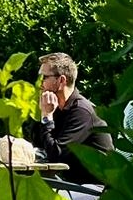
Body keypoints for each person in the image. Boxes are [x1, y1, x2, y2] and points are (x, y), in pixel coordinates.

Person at [21, 52, 113, 185]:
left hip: (97, 190)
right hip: (71, 184)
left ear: (62, 80)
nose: (40, 83)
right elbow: (40, 147)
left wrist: (47, 117)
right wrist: (43, 113)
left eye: (44, 77)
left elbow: (56, 156)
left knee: (38, 199)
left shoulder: (82, 112)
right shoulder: (59, 108)